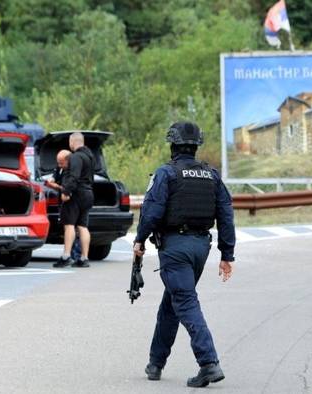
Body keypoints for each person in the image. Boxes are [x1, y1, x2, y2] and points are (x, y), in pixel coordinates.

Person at [133, 121, 235, 388]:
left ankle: (209, 363)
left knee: (185, 302)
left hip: (175, 248)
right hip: (201, 248)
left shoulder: (166, 173)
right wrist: (227, 254)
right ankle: (156, 362)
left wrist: (140, 239)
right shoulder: (212, 175)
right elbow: (226, 214)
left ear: (172, 145)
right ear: (195, 146)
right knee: (173, 302)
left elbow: (152, 211)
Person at [53, 132, 95, 268]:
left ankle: (66, 256)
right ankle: (84, 258)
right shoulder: (90, 156)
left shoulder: (76, 157)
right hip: (88, 193)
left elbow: (74, 176)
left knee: (69, 224)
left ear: (72, 142)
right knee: (83, 226)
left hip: (76, 194)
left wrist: (66, 191)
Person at [45, 150, 81, 263]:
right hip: (64, 202)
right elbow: (54, 176)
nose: (59, 165)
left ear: (68, 160)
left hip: (72, 200)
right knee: (68, 227)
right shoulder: (60, 168)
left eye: (61, 162)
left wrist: (57, 187)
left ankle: (74, 254)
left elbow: (68, 188)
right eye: (58, 162)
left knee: (72, 227)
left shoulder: (72, 171)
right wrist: (51, 180)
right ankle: (72, 254)